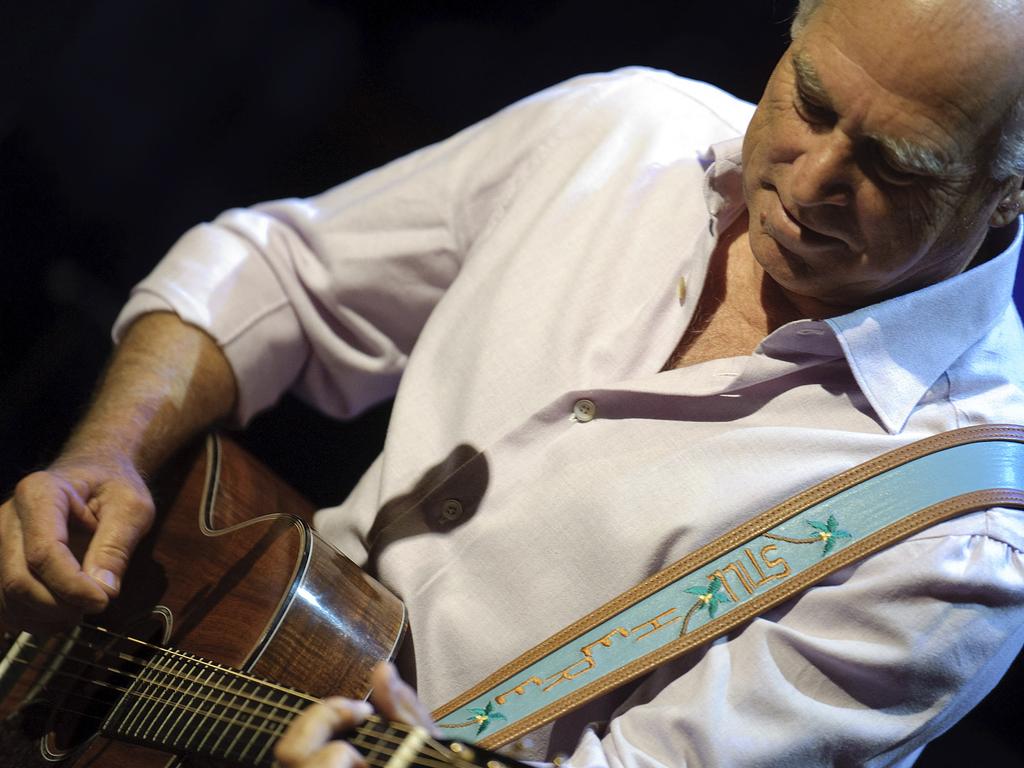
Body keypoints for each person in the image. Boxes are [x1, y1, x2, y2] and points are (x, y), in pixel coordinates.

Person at [3, 0, 1024, 765]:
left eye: (896, 164)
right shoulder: (626, 130)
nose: (807, 181)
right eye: (809, 96)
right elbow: (280, 272)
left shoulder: (962, 535)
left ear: (1007, 189)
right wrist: (110, 452)